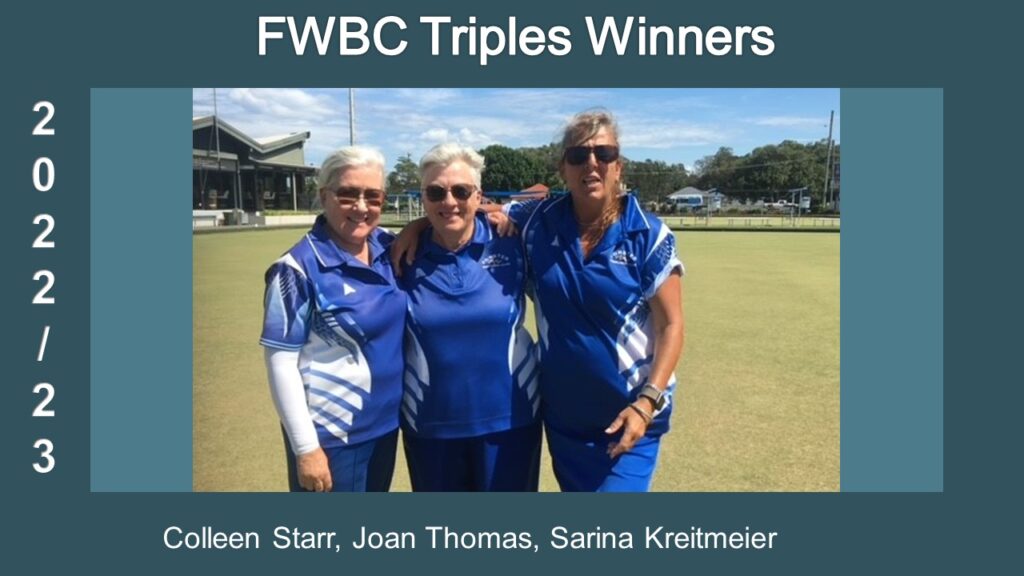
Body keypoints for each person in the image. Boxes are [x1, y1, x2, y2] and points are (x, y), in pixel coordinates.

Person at [505, 109, 685, 492]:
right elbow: (469, 211)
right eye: (578, 155)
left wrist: (647, 402)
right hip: (565, 422)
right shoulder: (537, 221)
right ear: (562, 169)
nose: (592, 163)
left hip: (632, 416)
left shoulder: (648, 234)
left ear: (618, 166)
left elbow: (672, 325)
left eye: (603, 154)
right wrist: (416, 226)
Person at [259, 146, 405, 492]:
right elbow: (280, 364)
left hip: (385, 427)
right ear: (324, 196)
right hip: (332, 435)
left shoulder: (389, 246)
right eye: (347, 194)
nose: (361, 207)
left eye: (373, 196)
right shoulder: (294, 269)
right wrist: (306, 448)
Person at [397, 143, 541, 492]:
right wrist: (413, 227)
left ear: (478, 196)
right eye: (435, 192)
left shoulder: (513, 242)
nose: (448, 201)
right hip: (429, 426)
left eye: (461, 191)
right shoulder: (400, 253)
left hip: (512, 422)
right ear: (423, 198)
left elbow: (549, 201)